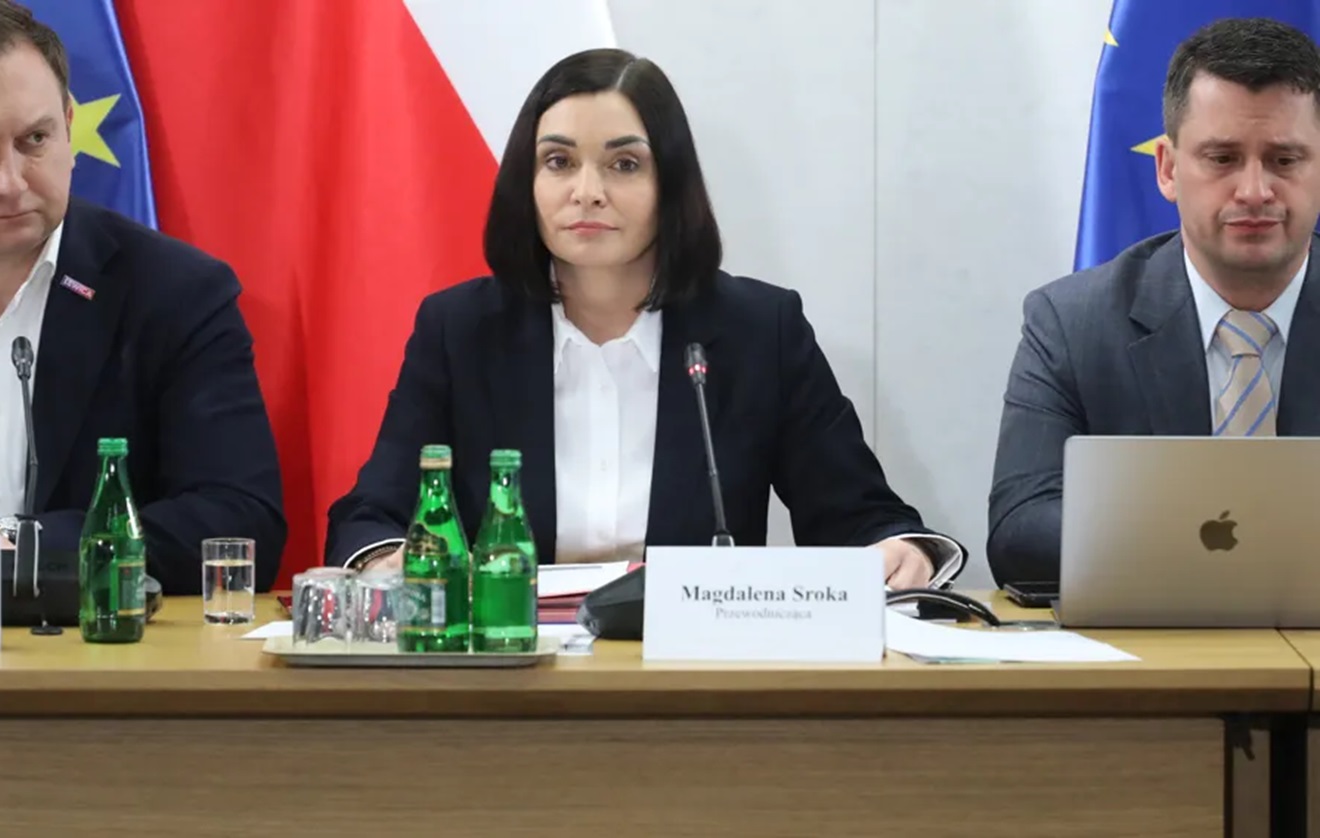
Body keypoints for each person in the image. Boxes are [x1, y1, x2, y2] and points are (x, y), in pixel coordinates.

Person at [326, 47, 964, 589]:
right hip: (514, 670)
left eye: (624, 164)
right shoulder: (460, 331)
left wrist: (897, 552)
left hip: (690, 674)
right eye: (559, 162)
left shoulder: (758, 331)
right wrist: (389, 560)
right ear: (527, 183)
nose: (587, 192)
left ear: (671, 185)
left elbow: (858, 516)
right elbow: (371, 517)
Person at [0, 0, 285, 594]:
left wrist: (16, 545)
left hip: (100, 646)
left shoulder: (175, 294)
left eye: (35, 139)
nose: (11, 181)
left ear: (68, 127)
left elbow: (240, 525)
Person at [988, 17, 1320, 586]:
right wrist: (1209, 549)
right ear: (1167, 169)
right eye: (1222, 158)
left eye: (1285, 160)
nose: (1254, 191)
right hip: (1151, 638)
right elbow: (1020, 531)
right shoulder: (1073, 323)